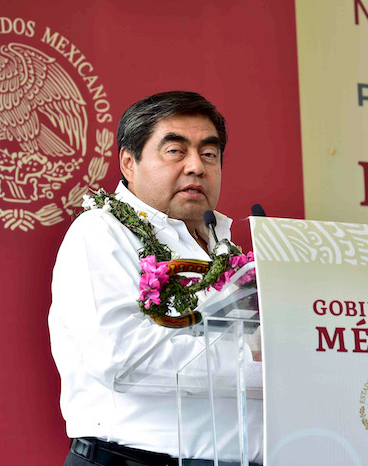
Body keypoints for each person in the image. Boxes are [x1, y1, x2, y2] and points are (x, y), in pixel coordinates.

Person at [49, 91, 263, 466]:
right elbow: (120, 355)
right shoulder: (101, 232)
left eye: (209, 154)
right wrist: (257, 362)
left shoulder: (222, 248)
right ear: (129, 162)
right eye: (175, 151)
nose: (196, 167)